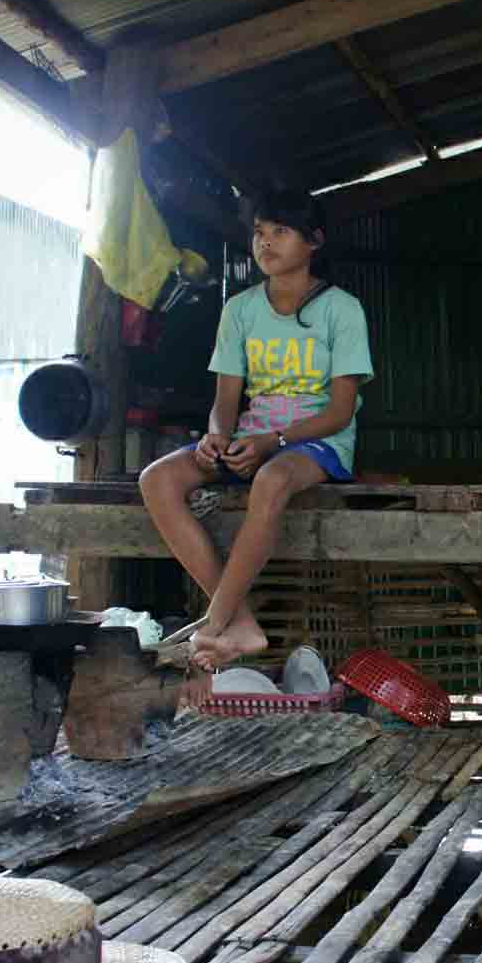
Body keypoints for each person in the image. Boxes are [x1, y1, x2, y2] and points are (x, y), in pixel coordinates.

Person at [140, 190, 373, 669]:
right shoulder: (240, 310)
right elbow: (226, 402)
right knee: (157, 480)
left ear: (314, 242)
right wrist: (215, 436)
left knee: (270, 480)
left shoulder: (342, 310)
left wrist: (275, 441)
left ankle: (214, 623)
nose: (265, 243)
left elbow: (342, 411)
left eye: (280, 232)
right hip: (253, 437)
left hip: (317, 441)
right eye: (260, 232)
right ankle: (241, 622)